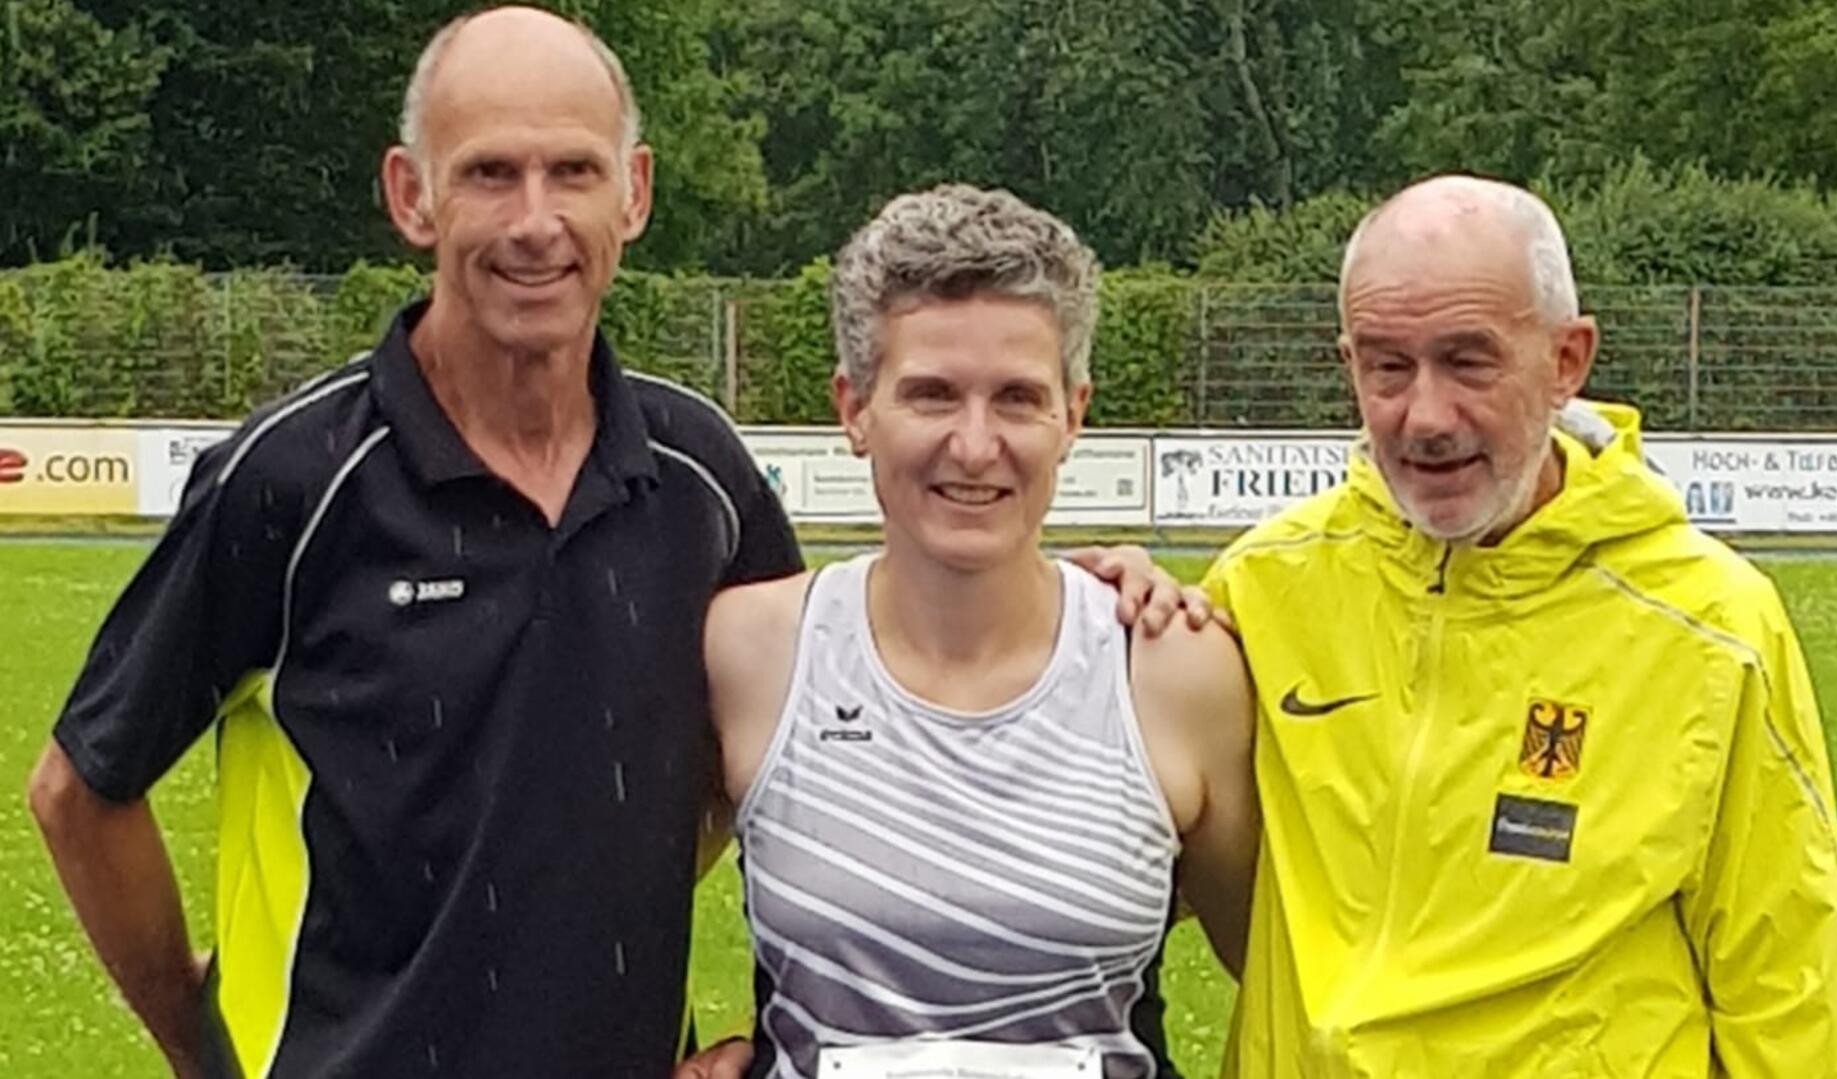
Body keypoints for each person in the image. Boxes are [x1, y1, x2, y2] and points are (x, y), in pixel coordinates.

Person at [23, 10, 1190, 1078]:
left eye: (573, 171)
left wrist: (1076, 593)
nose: (537, 222)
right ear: (411, 196)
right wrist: (199, 1045)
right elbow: (81, 788)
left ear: (631, 193)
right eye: (489, 173)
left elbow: (828, 713)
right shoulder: (297, 480)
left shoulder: (699, 478)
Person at [1204, 174, 1837, 1076]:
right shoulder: (1257, 590)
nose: (1426, 415)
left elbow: (1792, 973)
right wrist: (1109, 607)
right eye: (1387, 365)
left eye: (1469, 360)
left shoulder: (1710, 626)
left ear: (1568, 360)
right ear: (1348, 365)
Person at [682, 185, 1258, 1079]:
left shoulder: (1174, 669)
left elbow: (1285, 976)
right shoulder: (750, 653)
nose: (976, 444)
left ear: (1074, 413)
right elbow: (593, 917)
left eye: (1018, 398)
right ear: (853, 408)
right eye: (932, 394)